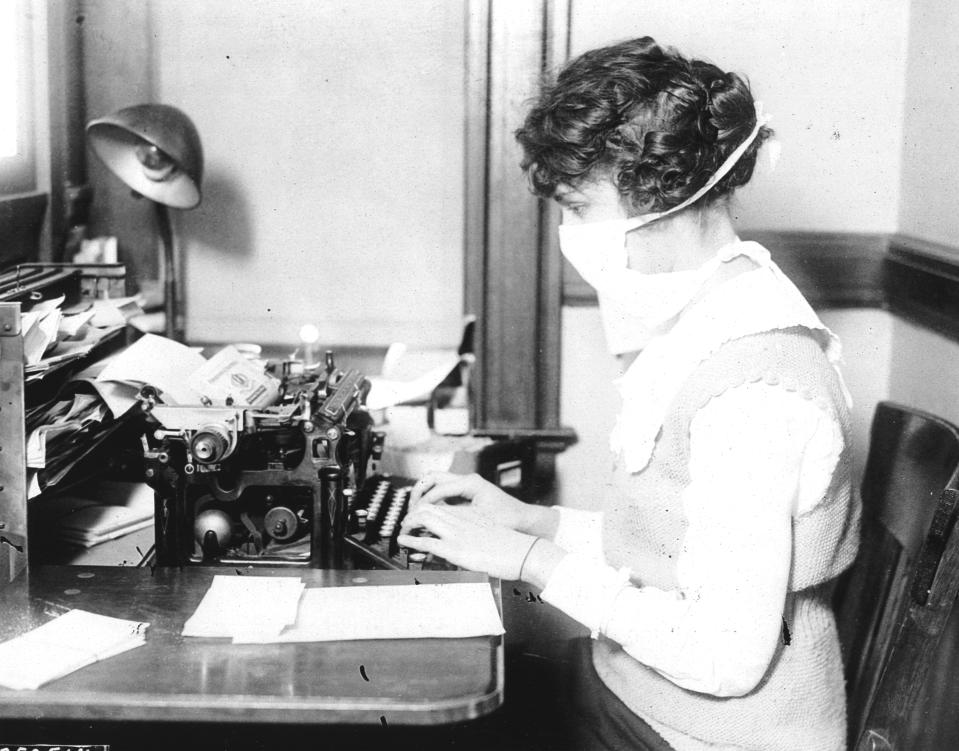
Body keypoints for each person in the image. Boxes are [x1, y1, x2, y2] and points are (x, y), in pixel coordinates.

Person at [398, 36, 859, 751]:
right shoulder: (708, 321)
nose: (568, 234)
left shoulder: (756, 389)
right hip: (646, 699)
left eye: (579, 207)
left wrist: (530, 563)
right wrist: (534, 523)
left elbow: (724, 656)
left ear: (666, 197)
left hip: (710, 735)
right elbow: (676, 549)